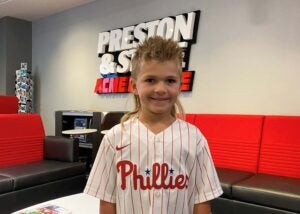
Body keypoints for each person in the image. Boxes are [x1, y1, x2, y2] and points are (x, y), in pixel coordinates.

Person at [84, 36, 223, 214]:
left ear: (180, 86)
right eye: (150, 80)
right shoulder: (114, 138)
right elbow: (107, 202)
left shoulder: (194, 138)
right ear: (134, 86)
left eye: (170, 81)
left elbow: (201, 201)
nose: (160, 89)